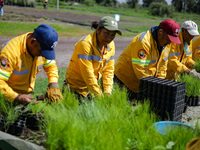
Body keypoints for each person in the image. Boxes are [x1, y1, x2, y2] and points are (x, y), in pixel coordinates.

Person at [114, 19, 181, 101]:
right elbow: (141, 70)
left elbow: (162, 66)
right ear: (160, 32)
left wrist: (160, 84)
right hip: (125, 81)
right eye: (168, 40)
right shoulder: (143, 42)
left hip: (143, 83)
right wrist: (153, 88)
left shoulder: (166, 43)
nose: (169, 43)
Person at [0, 24, 63, 105]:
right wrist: (17, 97)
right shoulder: (10, 53)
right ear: (32, 42)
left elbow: (51, 66)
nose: (43, 55)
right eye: (41, 51)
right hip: (5, 97)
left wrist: (53, 84)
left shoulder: (42, 47)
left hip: (25, 96)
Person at [63, 16, 122, 100]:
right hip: (75, 89)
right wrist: (99, 96)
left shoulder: (111, 45)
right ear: (98, 29)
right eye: (106, 33)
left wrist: (107, 93)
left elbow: (109, 70)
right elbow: (87, 73)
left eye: (113, 35)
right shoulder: (85, 44)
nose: (109, 37)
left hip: (91, 89)